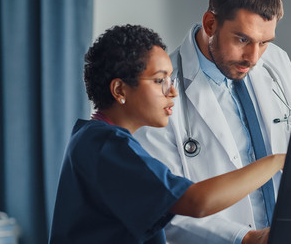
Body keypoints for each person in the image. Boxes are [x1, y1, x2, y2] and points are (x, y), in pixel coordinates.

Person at [48, 24, 285, 244]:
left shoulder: (95, 139)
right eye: (159, 80)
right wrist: (278, 160)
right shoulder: (106, 146)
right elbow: (195, 201)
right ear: (120, 89)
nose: (172, 91)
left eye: (170, 79)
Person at [134, 0, 291, 243]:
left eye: (264, 42)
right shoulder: (161, 91)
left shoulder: (277, 63)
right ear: (210, 24)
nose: (253, 58)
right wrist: (247, 238)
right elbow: (165, 206)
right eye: (242, 39)